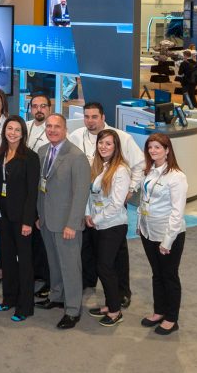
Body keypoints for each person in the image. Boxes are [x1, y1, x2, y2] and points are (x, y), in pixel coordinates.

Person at [68, 102, 144, 308]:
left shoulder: (122, 138)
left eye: (94, 117)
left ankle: (122, 291)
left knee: (115, 252)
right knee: (89, 246)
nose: (90, 121)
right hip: (88, 204)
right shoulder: (76, 136)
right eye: (87, 116)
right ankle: (89, 282)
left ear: (103, 117)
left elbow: (139, 164)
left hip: (112, 206)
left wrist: (131, 189)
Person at [34, 114, 90, 330]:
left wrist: (73, 224)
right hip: (47, 220)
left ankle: (73, 309)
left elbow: (80, 193)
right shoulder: (42, 152)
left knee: (70, 267)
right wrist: (39, 215)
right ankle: (57, 296)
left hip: (67, 224)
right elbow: (41, 188)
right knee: (54, 263)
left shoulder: (76, 157)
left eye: (57, 127)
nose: (52, 130)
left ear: (65, 129)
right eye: (49, 126)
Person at [138, 133, 187, 336]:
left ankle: (171, 318)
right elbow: (144, 199)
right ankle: (159, 311)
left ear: (167, 150)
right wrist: (140, 224)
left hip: (168, 235)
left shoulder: (176, 177)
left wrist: (167, 240)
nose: (153, 151)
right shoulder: (149, 171)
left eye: (158, 147)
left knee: (169, 275)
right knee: (156, 274)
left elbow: (177, 212)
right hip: (147, 231)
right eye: (150, 147)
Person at [85, 129, 131, 327]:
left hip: (112, 225)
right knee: (101, 266)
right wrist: (88, 214)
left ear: (116, 147)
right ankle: (109, 304)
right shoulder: (97, 166)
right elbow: (89, 194)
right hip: (96, 223)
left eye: (108, 143)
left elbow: (116, 203)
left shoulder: (121, 170)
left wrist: (97, 219)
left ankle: (115, 311)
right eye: (101, 143)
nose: (103, 147)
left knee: (106, 267)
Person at [0, 116, 39, 322]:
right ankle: (9, 298)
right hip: (4, 216)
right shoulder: (2, 152)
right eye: (9, 128)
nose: (12, 133)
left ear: (23, 134)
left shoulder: (30, 157)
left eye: (17, 130)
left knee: (24, 263)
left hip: (21, 218)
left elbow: (32, 193)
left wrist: (28, 222)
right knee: (8, 259)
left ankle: (25, 306)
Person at [24, 93, 51, 296]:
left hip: (46, 191)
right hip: (26, 189)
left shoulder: (53, 129)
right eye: (35, 106)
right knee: (30, 234)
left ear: (49, 108)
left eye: (43, 106)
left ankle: (47, 277)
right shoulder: (25, 127)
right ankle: (33, 272)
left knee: (45, 237)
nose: (39, 110)